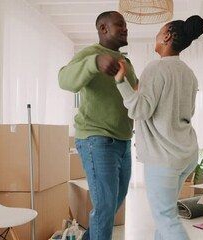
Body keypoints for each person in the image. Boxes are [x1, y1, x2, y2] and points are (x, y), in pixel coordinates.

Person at [114, 15, 203, 240]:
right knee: (165, 217)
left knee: (165, 218)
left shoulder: (156, 68)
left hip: (164, 158)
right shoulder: (188, 73)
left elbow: (140, 111)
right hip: (186, 154)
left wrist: (120, 81)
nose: (156, 34)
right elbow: (185, 112)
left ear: (166, 36)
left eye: (159, 29)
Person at [58, 11, 138, 240]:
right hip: (98, 140)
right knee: (104, 206)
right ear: (103, 29)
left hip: (123, 141)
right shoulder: (91, 54)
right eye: (119, 24)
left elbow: (132, 98)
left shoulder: (126, 62)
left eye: (125, 25)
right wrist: (94, 63)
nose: (125, 28)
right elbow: (64, 80)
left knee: (114, 202)